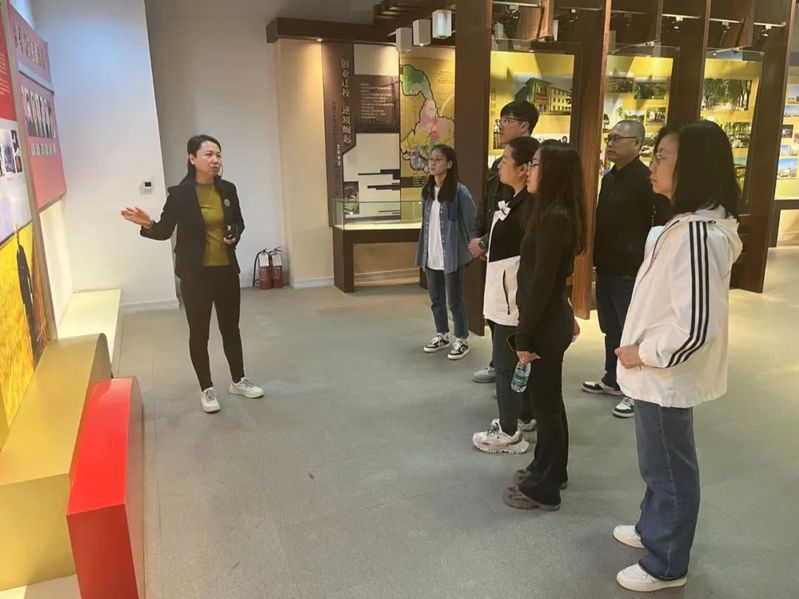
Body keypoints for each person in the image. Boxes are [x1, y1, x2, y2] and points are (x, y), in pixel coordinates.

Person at [612, 121, 742, 592]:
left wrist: (642, 353)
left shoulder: (699, 235)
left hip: (665, 373)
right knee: (657, 462)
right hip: (655, 372)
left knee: (669, 468)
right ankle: (652, 527)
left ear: (693, 166)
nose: (653, 165)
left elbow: (696, 326)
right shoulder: (685, 226)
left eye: (662, 156)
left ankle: (667, 562)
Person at [121, 134, 264, 414]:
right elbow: (164, 231)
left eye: (218, 155)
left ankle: (238, 380)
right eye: (209, 155)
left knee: (231, 328)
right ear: (192, 158)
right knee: (199, 333)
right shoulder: (180, 194)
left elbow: (238, 222)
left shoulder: (228, 189)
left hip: (226, 271)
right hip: (195, 275)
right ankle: (207, 388)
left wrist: (234, 235)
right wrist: (147, 223)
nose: (215, 160)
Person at [501, 141, 586, 510]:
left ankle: (546, 487)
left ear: (552, 173)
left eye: (535, 165)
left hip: (545, 324)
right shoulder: (549, 212)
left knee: (546, 405)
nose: (529, 171)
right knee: (547, 401)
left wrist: (523, 334)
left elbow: (541, 283)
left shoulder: (555, 218)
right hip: (547, 319)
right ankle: (549, 468)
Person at [582, 120, 673, 419]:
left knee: (633, 332)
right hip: (607, 265)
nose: (610, 143)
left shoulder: (647, 180)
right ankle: (613, 377)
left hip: (632, 270)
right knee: (610, 327)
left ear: (637, 144)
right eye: (609, 138)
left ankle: (635, 391)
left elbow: (661, 223)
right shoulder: (609, 178)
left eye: (617, 139)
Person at [472, 136, 540, 454]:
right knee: (510, 363)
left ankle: (509, 431)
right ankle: (522, 416)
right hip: (503, 298)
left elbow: (528, 262)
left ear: (525, 168)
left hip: (513, 303)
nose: (500, 165)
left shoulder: (530, 207)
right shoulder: (514, 201)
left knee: (506, 365)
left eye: (506, 159)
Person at [470, 100, 540, 385]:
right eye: (500, 120)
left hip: (512, 255)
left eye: (506, 120)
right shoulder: (499, 165)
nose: (500, 126)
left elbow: (517, 215)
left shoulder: (534, 167)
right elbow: (487, 204)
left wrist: (486, 243)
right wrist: (480, 238)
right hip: (494, 247)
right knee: (495, 311)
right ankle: (499, 362)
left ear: (524, 125)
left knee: (512, 312)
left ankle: (510, 369)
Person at [416, 144, 476, 360]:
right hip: (431, 254)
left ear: (449, 164)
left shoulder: (459, 192)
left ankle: (462, 338)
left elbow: (471, 221)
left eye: (438, 159)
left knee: (455, 300)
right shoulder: (427, 192)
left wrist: (473, 247)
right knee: (436, 298)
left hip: (452, 255)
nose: (432, 163)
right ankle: (442, 334)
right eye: (431, 159)